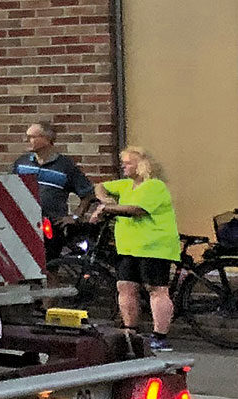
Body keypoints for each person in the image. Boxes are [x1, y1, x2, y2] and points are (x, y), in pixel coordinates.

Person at [91, 146, 180, 354]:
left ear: (141, 165)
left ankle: (160, 336)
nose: (123, 166)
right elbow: (99, 186)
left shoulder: (154, 187)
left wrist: (105, 209)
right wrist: (106, 200)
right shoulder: (126, 185)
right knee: (125, 286)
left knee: (156, 289)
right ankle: (130, 329)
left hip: (154, 247)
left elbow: (136, 210)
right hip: (128, 246)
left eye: (128, 162)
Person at [15, 121, 97, 256]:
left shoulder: (65, 166)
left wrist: (75, 217)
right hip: (23, 223)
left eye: (32, 137)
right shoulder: (21, 163)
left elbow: (87, 194)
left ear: (47, 139)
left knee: (50, 267)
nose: (27, 140)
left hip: (51, 226)